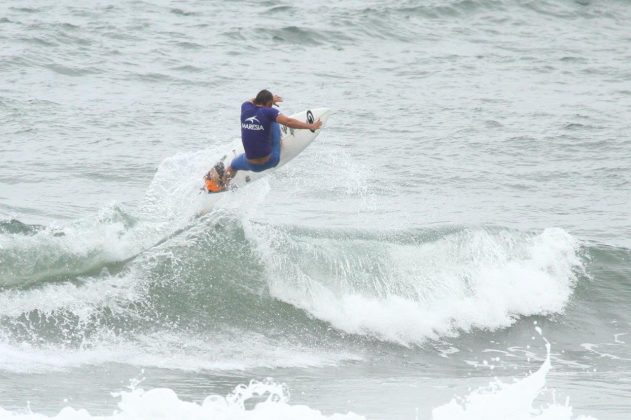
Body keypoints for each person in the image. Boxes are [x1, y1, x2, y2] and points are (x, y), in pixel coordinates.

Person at [204, 89, 322, 192]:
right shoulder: (270, 112)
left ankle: (223, 184)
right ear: (269, 103)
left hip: (249, 163)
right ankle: (279, 142)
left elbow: (251, 100)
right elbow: (288, 122)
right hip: (271, 160)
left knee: (232, 166)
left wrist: (268, 99)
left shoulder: (245, 107)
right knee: (273, 121)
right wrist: (310, 126)